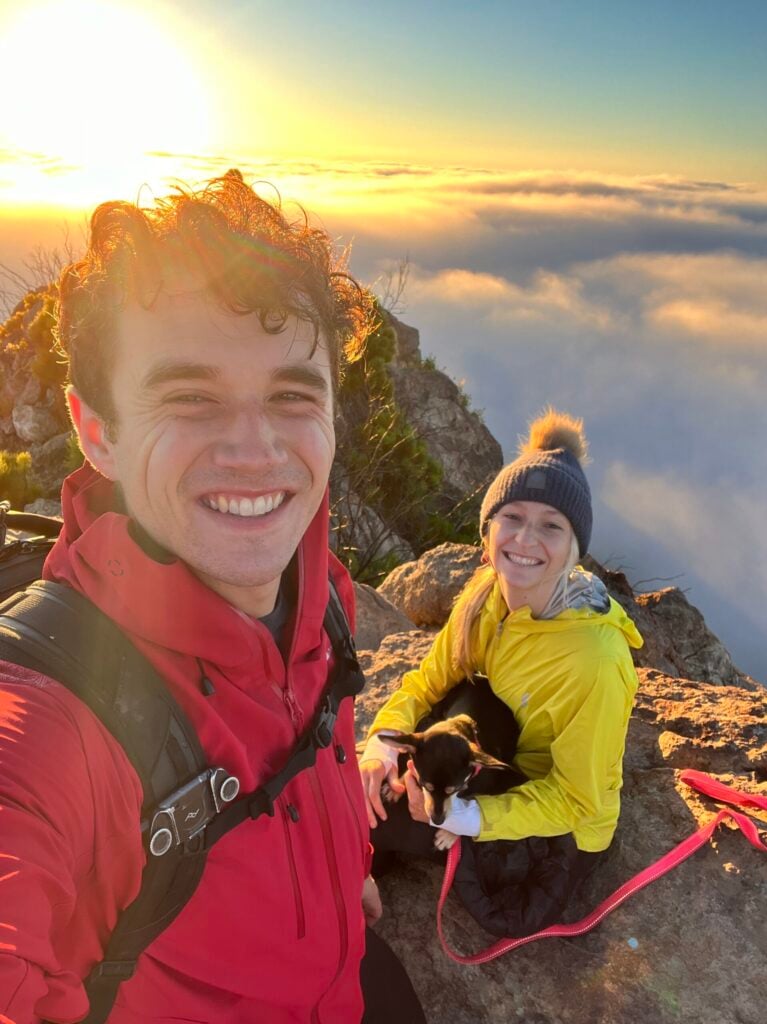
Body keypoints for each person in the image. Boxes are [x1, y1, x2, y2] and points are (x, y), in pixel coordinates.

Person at [0, 171, 424, 1023]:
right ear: (98, 432)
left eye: (292, 394)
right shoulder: (55, 726)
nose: (254, 449)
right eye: (189, 396)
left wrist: (346, 875)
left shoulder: (317, 592)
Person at [359, 409, 643, 937]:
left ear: (575, 548)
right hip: (499, 756)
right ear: (489, 528)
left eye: (551, 526)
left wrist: (469, 819)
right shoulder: (488, 596)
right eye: (512, 517)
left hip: (552, 818)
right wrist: (381, 747)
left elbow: (576, 800)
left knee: (375, 818)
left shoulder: (594, 662)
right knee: (368, 789)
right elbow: (428, 681)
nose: (525, 540)